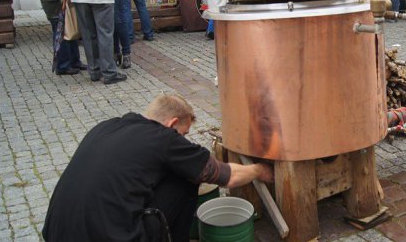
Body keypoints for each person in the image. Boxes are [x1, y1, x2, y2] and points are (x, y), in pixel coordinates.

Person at [42, 94, 274, 241]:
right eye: (183, 133)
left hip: (55, 232)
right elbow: (227, 177)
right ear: (172, 124)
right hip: (112, 236)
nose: (183, 139)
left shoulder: (107, 126)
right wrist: (259, 171)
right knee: (188, 176)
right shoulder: (164, 138)